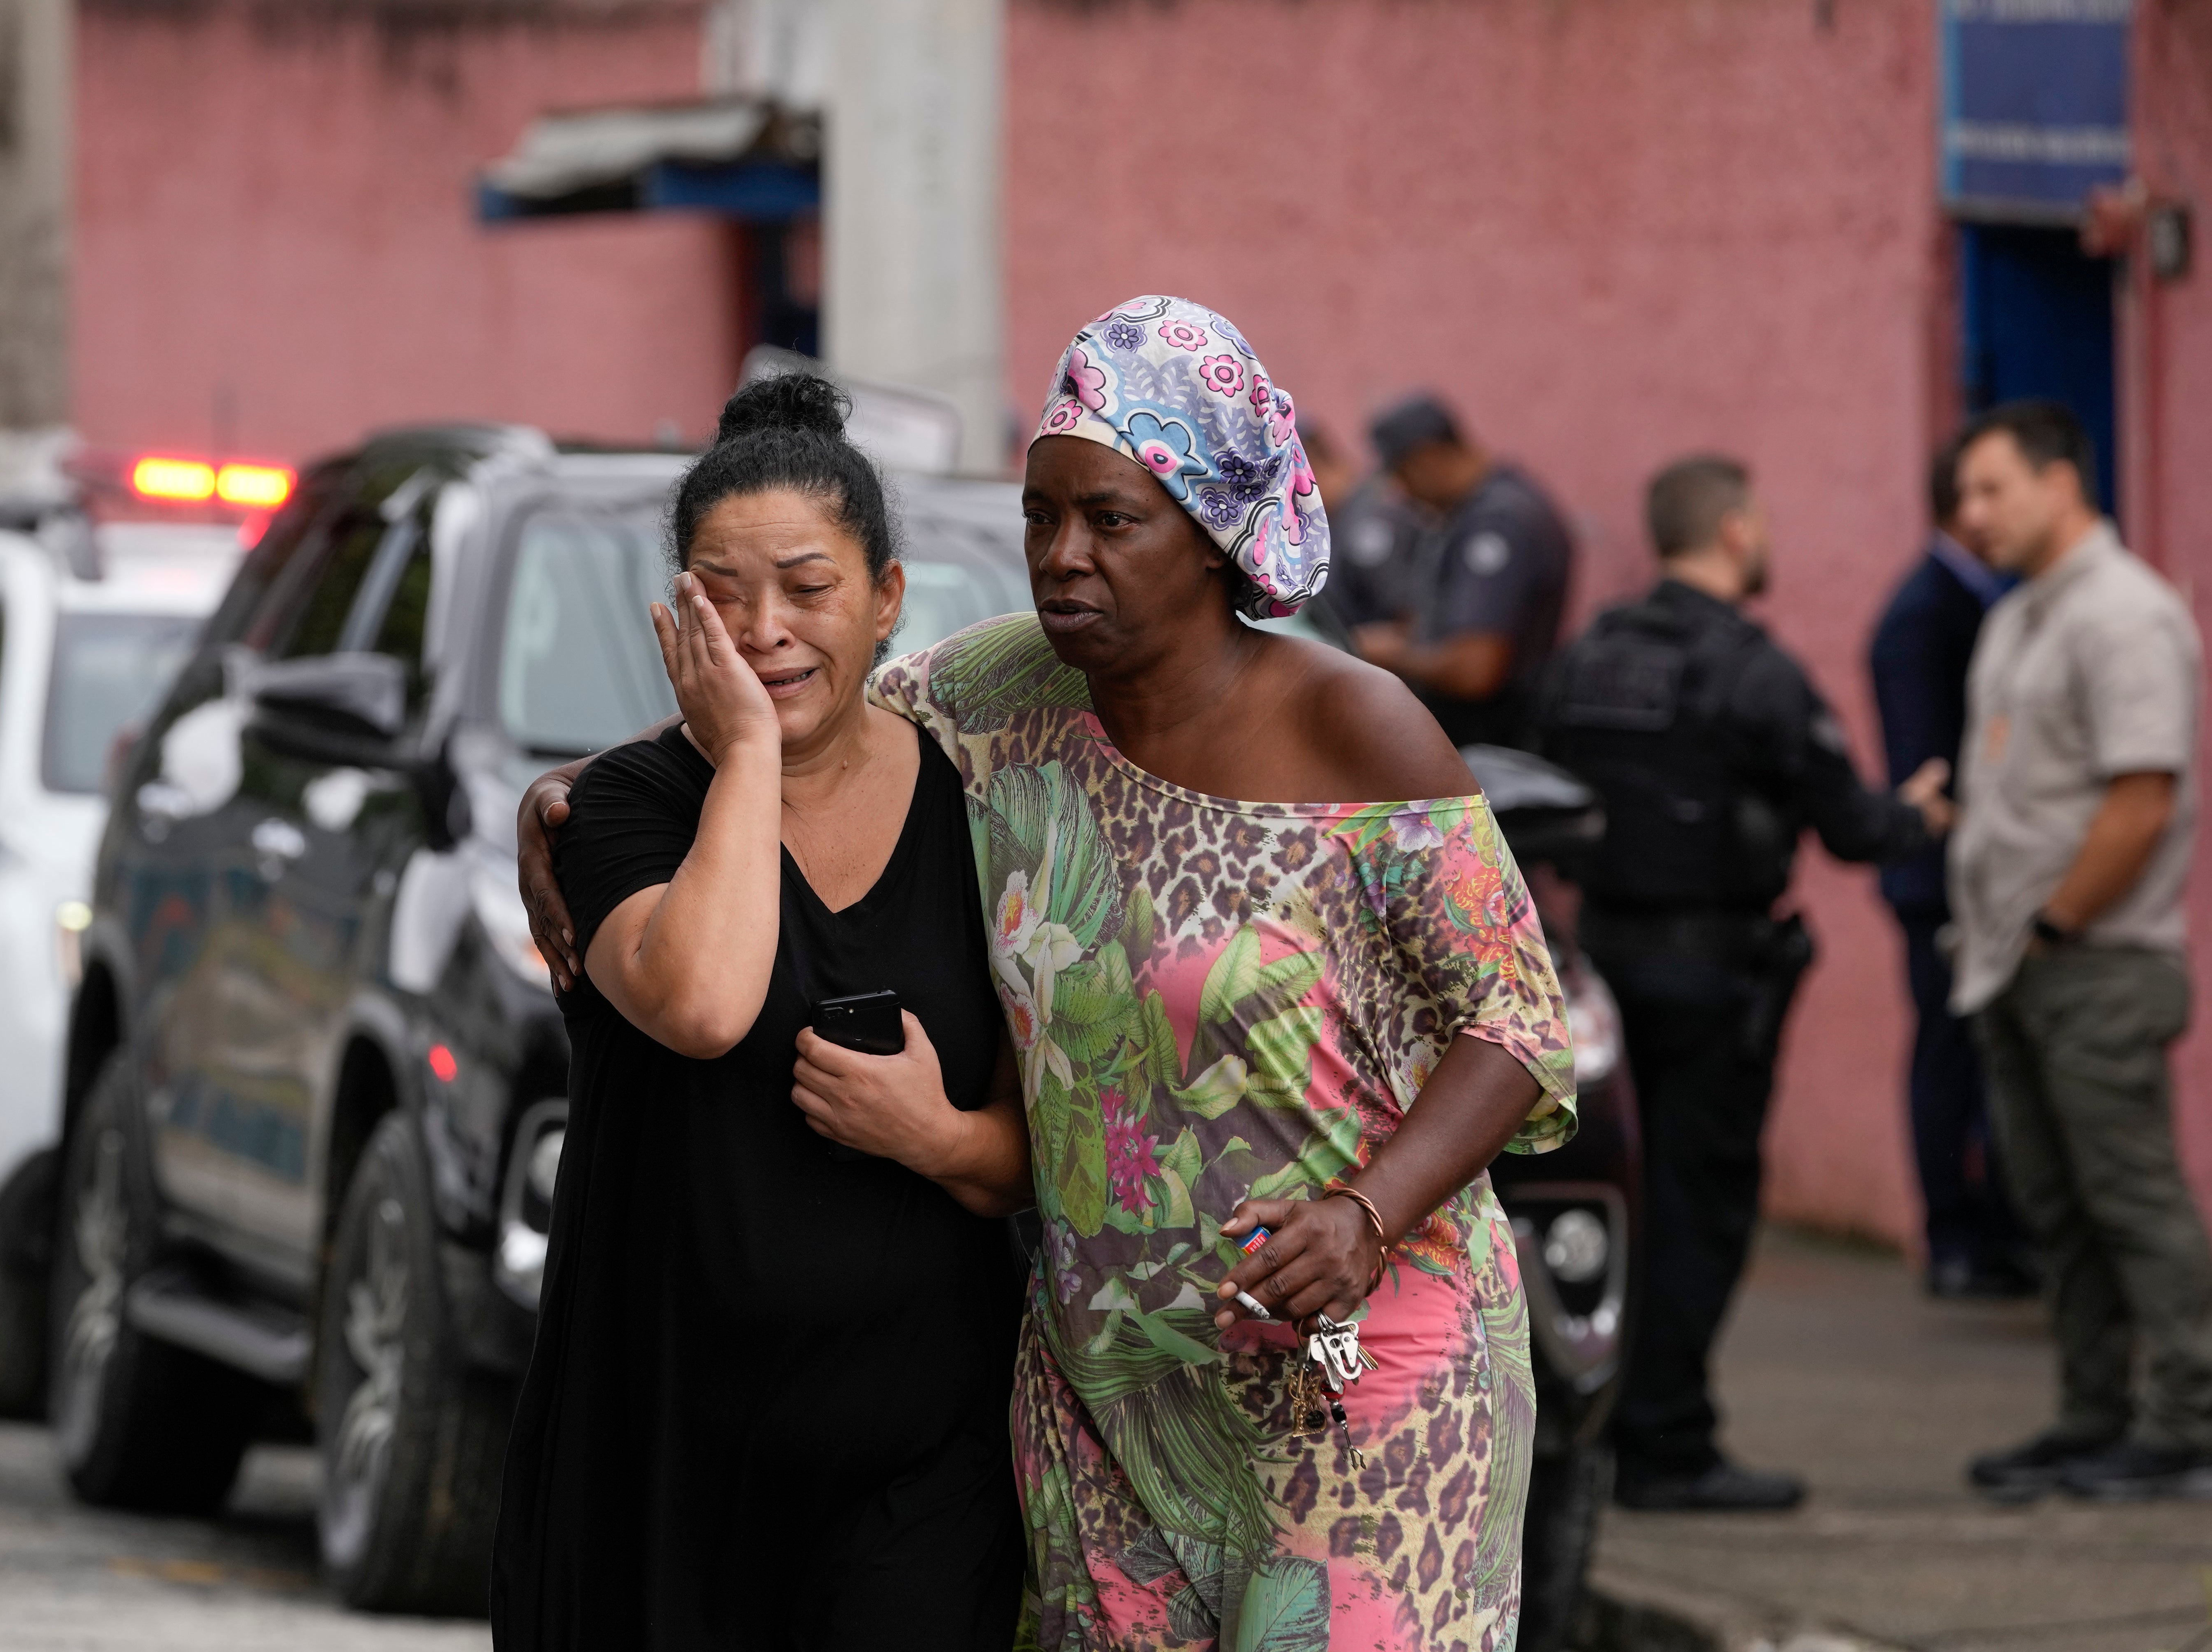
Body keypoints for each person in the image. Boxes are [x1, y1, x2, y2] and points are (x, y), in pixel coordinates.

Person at [521, 299, 1580, 1649]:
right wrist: (581, 798)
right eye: (1041, 517)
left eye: (1111, 521)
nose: (1062, 558)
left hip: (1357, 1370)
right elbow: (792, 699)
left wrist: (1368, 1213)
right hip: (1113, 1393)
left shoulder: (1352, 726)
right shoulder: (1002, 696)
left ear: (1209, 537)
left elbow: (1516, 1020)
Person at [488, 374, 1032, 1651]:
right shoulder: (615, 811)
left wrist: (936, 1137)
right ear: (677, 610)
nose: (765, 629)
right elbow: (700, 1001)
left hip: (916, 1469)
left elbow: (1057, 1147)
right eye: (721, 593)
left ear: (887, 598)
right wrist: (741, 756)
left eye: (808, 586)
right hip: (659, 1454)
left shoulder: (984, 815)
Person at [1538, 454, 1952, 1513]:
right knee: (1699, 1206)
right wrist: (1919, 813)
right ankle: (1670, 1442)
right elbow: (1854, 826)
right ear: (1733, 532)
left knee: (1622, 1201)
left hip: (1605, 964)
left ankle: (1609, 1423)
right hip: (1716, 978)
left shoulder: (1593, 653)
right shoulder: (1753, 670)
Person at [1947, 400, 2212, 1503]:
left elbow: (2142, 798)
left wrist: (2057, 923)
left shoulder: (2123, 614)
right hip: (2016, 965)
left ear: (2063, 483)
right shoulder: (2023, 617)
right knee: (2056, 1206)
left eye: (1993, 489)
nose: (1972, 516)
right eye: (1966, 496)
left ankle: (2187, 1421)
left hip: (2094, 962)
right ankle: (2093, 1415)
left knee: (2131, 1199)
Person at [1868, 445, 2030, 1299]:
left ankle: (1999, 1226)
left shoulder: (1971, 598)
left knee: (1976, 1056)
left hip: (1963, 876)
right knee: (1946, 1054)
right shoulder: (1926, 610)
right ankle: (1955, 1237)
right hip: (1935, 878)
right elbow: (1926, 763)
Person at [1334, 392, 1574, 750]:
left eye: (1403, 475)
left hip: (1498, 750)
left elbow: (1475, 670)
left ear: (1428, 458)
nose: (1401, 491)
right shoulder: (1470, 513)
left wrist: (1392, 653)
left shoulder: (1499, 521)